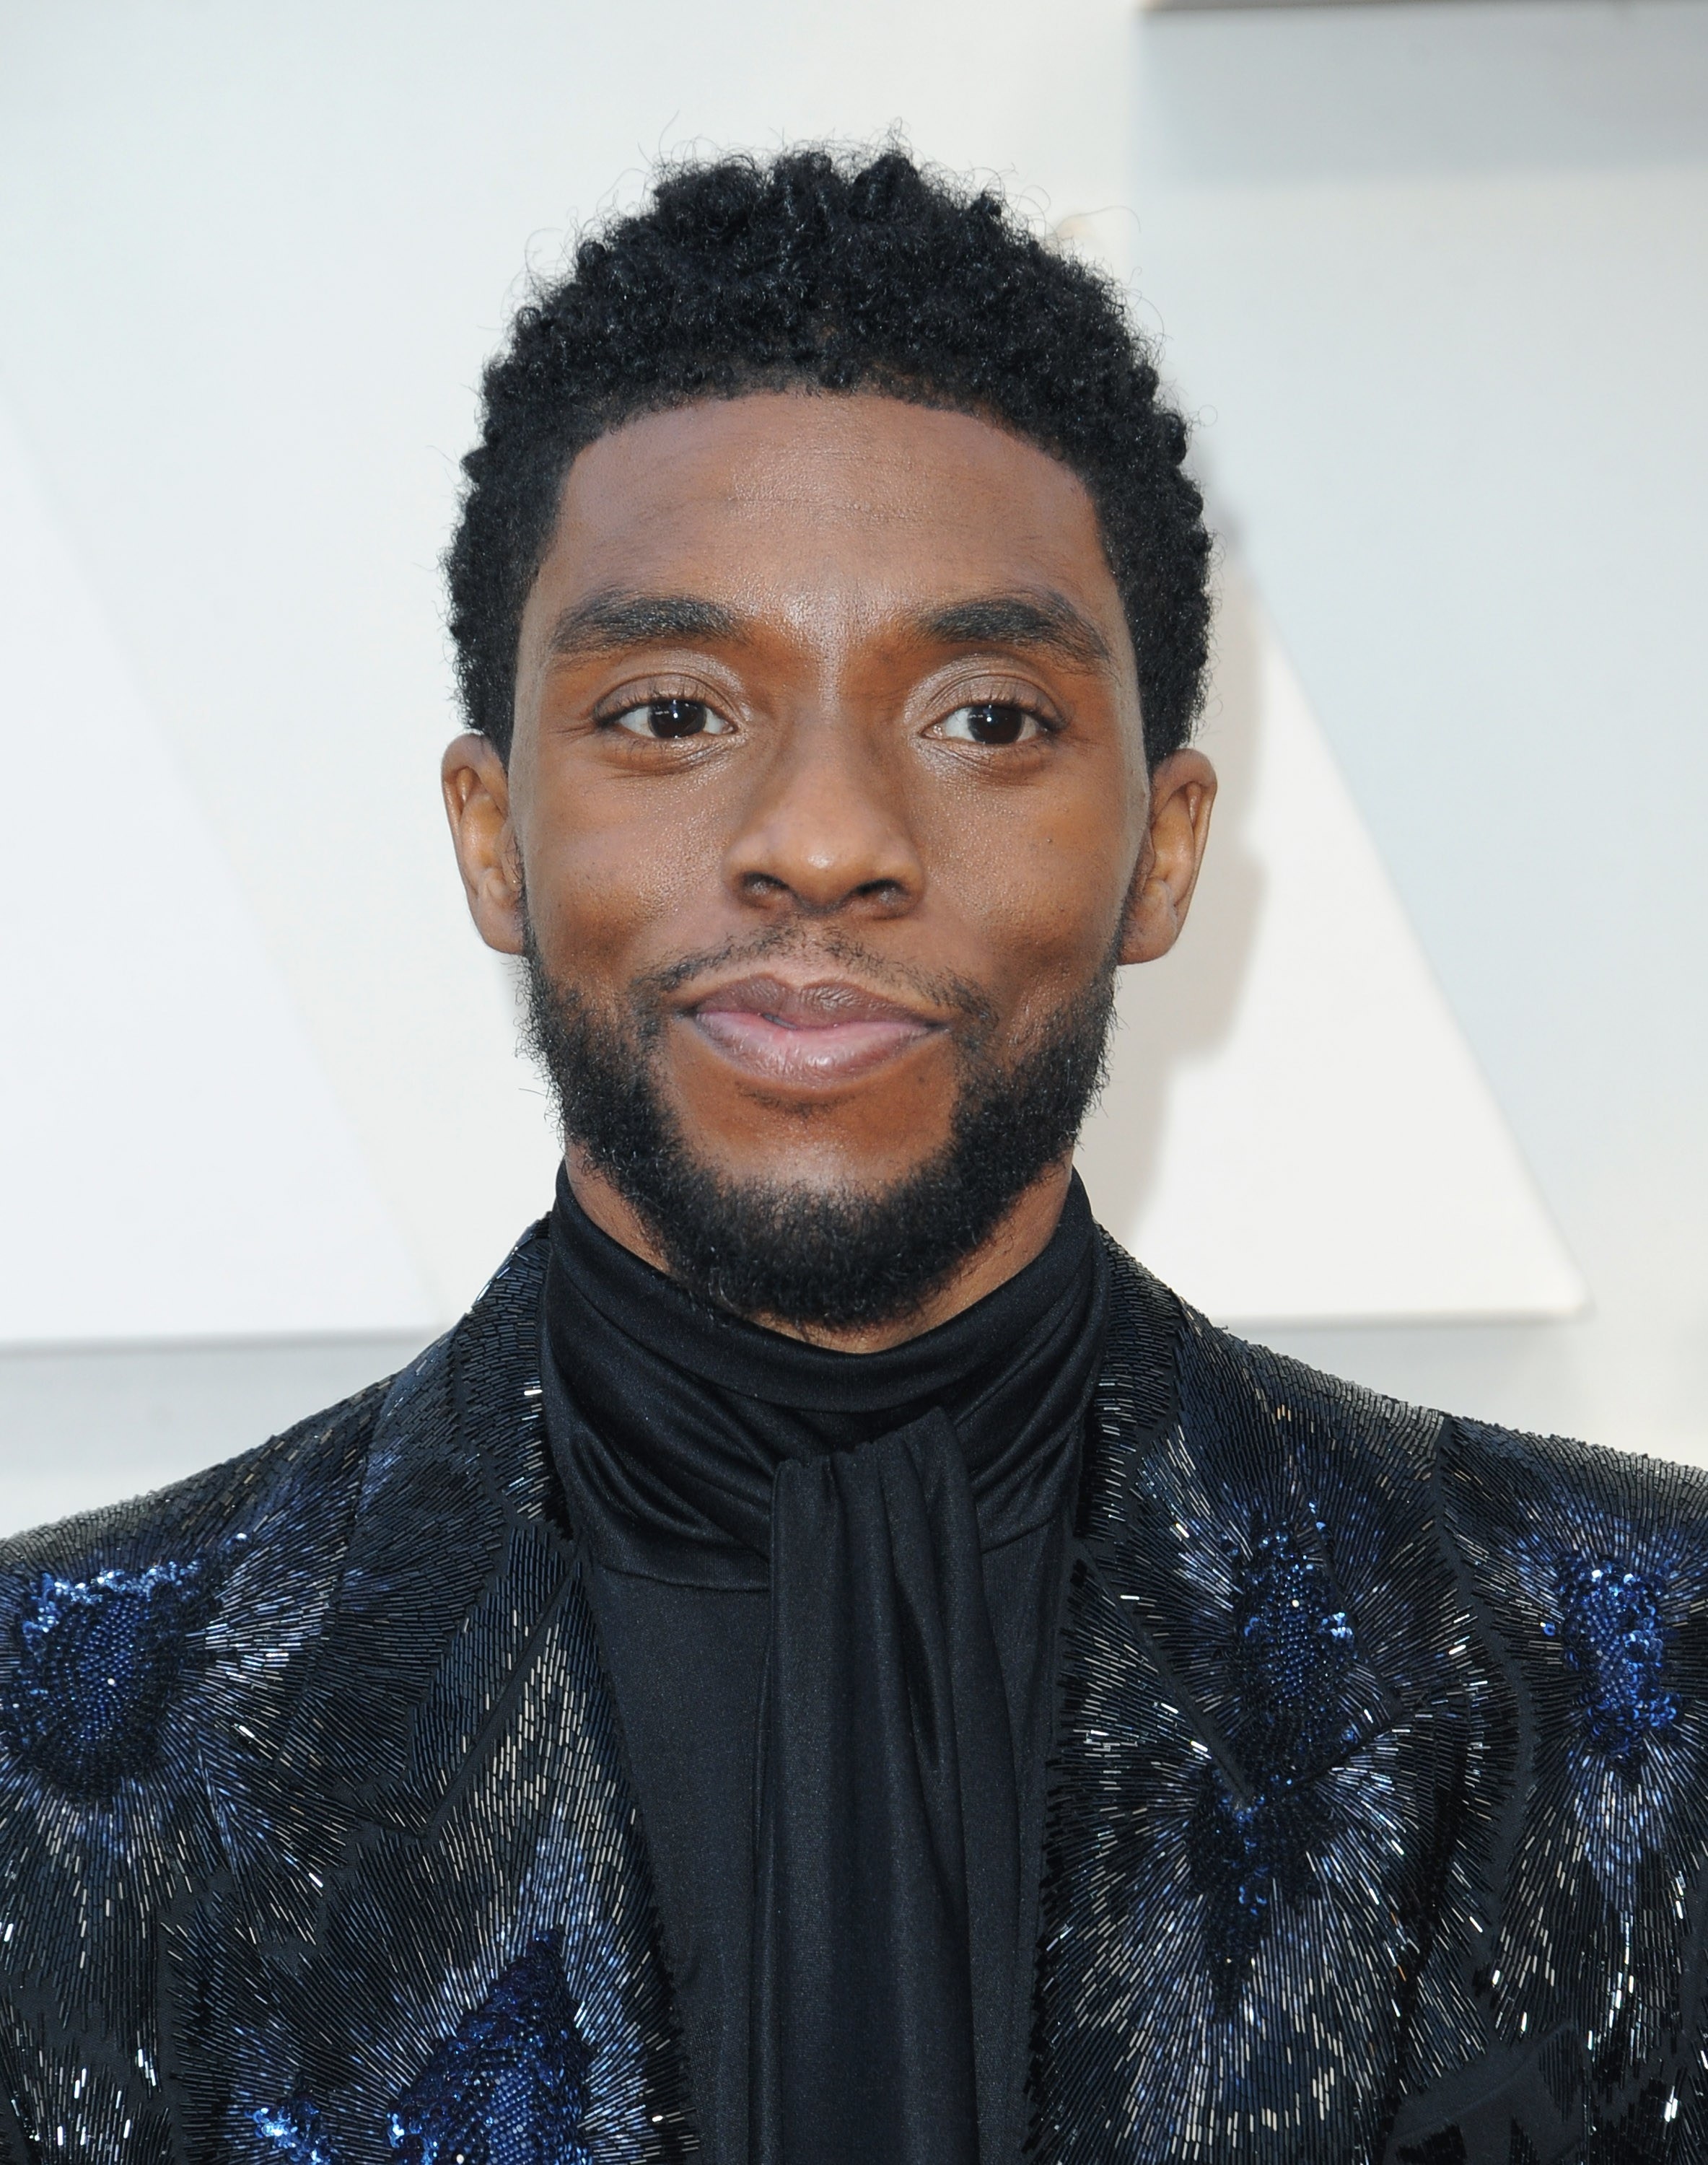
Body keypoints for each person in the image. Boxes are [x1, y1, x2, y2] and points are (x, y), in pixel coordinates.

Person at [0, 148, 1699, 2165]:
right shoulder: (54, 1743)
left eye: (985, 716)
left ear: (1163, 848)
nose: (821, 834)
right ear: (490, 832)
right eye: (668, 709)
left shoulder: (1644, 1675)